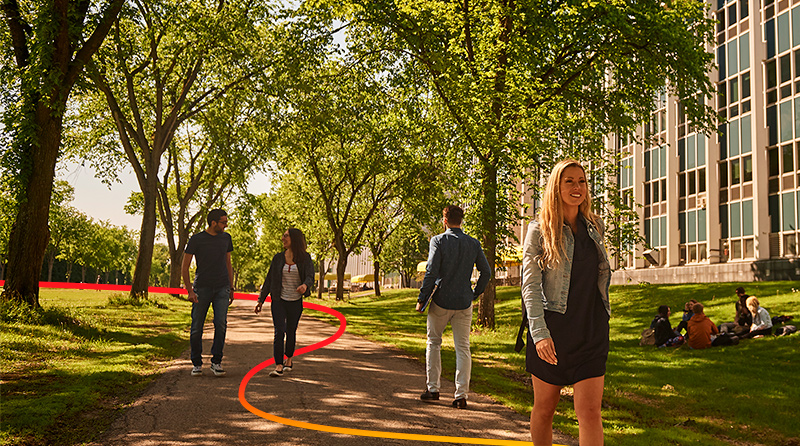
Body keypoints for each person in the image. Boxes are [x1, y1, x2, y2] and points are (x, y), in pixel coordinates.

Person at [521, 159, 611, 445]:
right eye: (569, 181)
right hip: (553, 331)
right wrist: (539, 334)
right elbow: (530, 286)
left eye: (582, 181)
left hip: (591, 330)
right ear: (556, 187)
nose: (577, 187)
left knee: (590, 412)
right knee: (545, 410)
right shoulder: (540, 230)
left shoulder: (595, 226)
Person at [416, 205, 490, 409]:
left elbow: (431, 271)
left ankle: (433, 389)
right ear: (461, 221)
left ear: (445, 221)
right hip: (464, 302)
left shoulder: (438, 241)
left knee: (433, 342)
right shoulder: (473, 244)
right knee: (463, 347)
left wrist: (422, 298)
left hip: (441, 300)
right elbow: (486, 272)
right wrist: (475, 293)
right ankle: (461, 395)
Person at [255, 228, 314, 377]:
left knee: (291, 331)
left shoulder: (305, 258)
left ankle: (289, 358)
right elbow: (269, 280)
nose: (283, 238)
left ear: (294, 238)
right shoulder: (278, 258)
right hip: (279, 300)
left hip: (295, 301)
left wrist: (305, 286)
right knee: (279, 331)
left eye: (286, 236)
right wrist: (260, 300)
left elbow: (310, 276)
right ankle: (279, 365)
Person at [182, 209, 234, 377]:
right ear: (213, 223)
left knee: (221, 324)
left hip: (222, 287)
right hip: (201, 288)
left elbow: (228, 262)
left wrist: (231, 288)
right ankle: (196, 363)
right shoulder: (197, 239)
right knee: (197, 327)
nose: (226, 225)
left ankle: (216, 362)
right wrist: (190, 290)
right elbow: (184, 265)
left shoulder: (226, 238)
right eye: (223, 222)